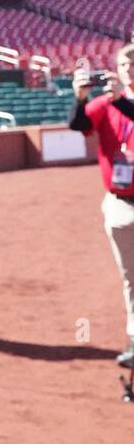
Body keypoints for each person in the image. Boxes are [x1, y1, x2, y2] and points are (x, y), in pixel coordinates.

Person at [70, 45, 134, 368]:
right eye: (125, 63)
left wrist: (123, 99)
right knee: (131, 278)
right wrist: (80, 97)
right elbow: (78, 125)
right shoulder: (106, 103)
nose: (130, 68)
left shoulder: (120, 101)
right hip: (120, 203)